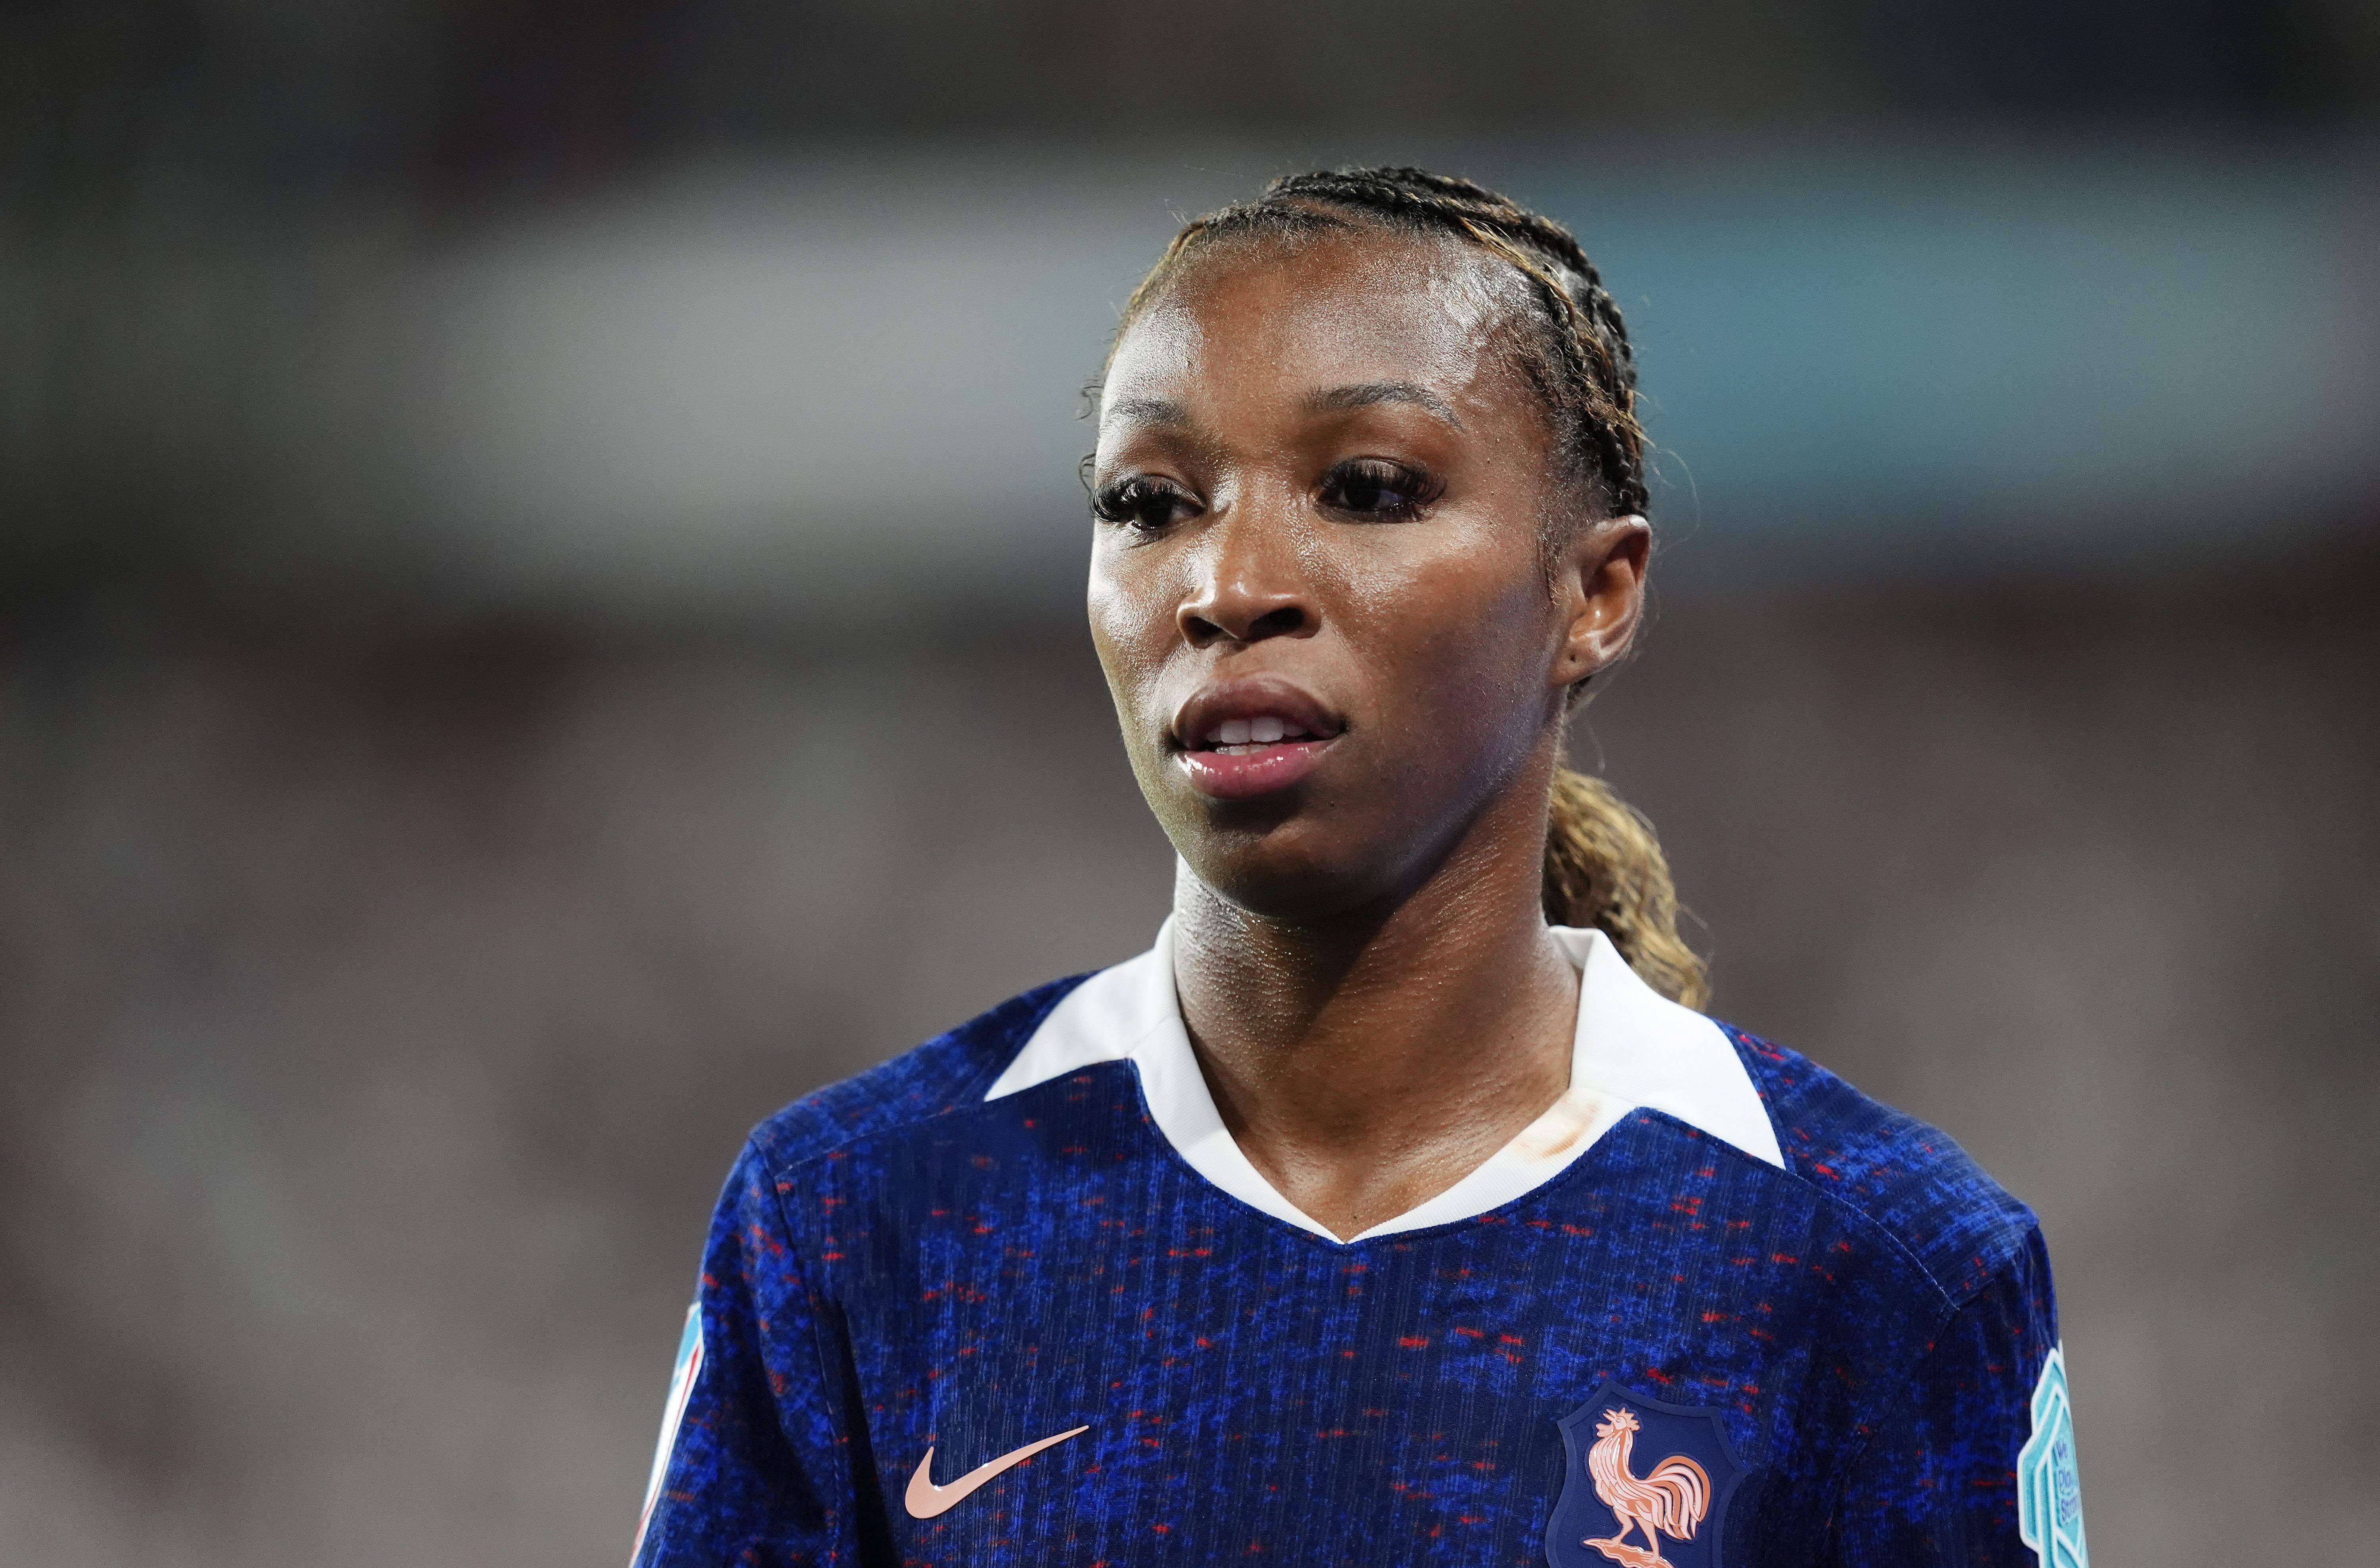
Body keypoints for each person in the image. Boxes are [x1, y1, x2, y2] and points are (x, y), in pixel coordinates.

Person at [627, 167, 2086, 1568]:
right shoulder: (856, 1219)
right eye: (1149, 503)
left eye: (1369, 487)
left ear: (1595, 594)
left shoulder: (1884, 1268)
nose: (1227, 585)